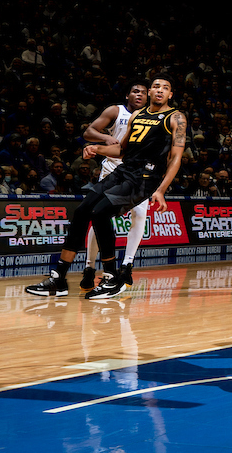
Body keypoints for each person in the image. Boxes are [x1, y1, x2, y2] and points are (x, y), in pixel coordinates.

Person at [25, 76, 186, 300]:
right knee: (82, 211)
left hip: (146, 177)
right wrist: (96, 149)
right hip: (125, 169)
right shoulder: (138, 115)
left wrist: (161, 189)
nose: (160, 90)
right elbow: (121, 150)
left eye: (165, 88)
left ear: (171, 95)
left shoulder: (175, 117)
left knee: (100, 213)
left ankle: (112, 277)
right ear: (150, 91)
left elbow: (176, 157)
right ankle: (59, 277)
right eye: (156, 87)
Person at [79, 79, 150, 289]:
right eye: (135, 91)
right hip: (112, 169)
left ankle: (127, 265)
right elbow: (88, 132)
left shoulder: (152, 118)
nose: (139, 95)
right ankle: (89, 267)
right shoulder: (115, 111)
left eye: (143, 92)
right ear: (127, 95)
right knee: (97, 215)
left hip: (138, 173)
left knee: (139, 214)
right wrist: (104, 138)